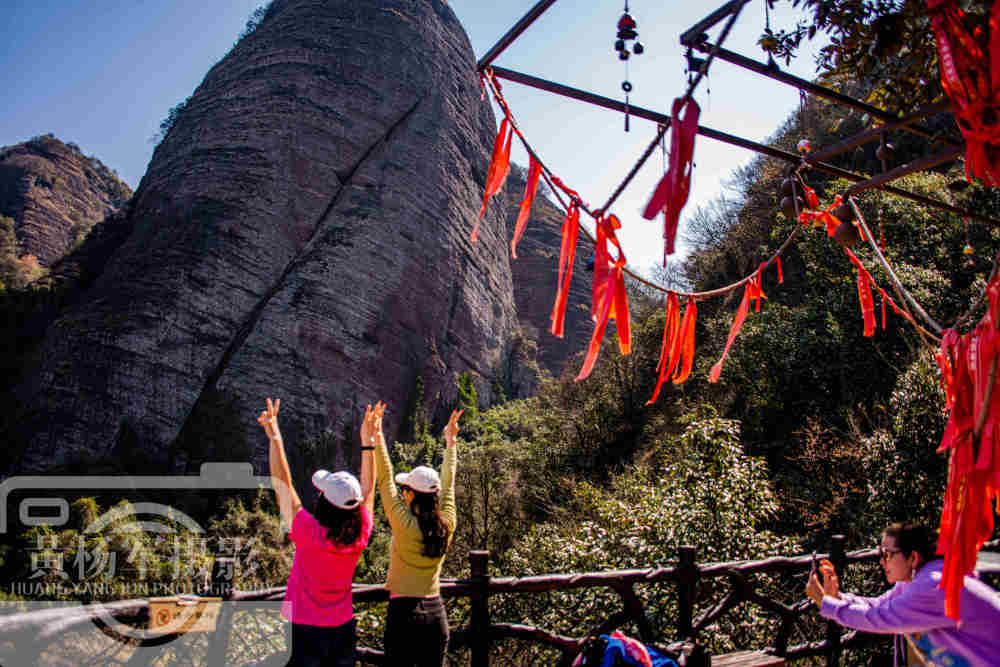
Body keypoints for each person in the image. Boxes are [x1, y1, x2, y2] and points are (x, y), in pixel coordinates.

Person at [259, 397, 381, 667]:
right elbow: (369, 489)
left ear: (323, 501)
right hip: (343, 629)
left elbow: (282, 483)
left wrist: (275, 435)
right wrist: (368, 443)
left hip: (304, 630)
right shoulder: (360, 533)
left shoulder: (308, 532)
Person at [806, 522, 1000, 666]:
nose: (882, 562)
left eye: (887, 554)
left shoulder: (933, 585)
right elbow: (879, 606)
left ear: (913, 557)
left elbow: (878, 619)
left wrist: (827, 603)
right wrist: (838, 598)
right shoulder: (915, 581)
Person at [372, 405, 461, 667]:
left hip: (403, 614)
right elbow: (449, 484)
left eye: (405, 490)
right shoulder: (448, 523)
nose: (401, 493)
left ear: (410, 495)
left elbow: (385, 481)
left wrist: (377, 436)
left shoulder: (404, 524)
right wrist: (451, 441)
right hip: (436, 614)